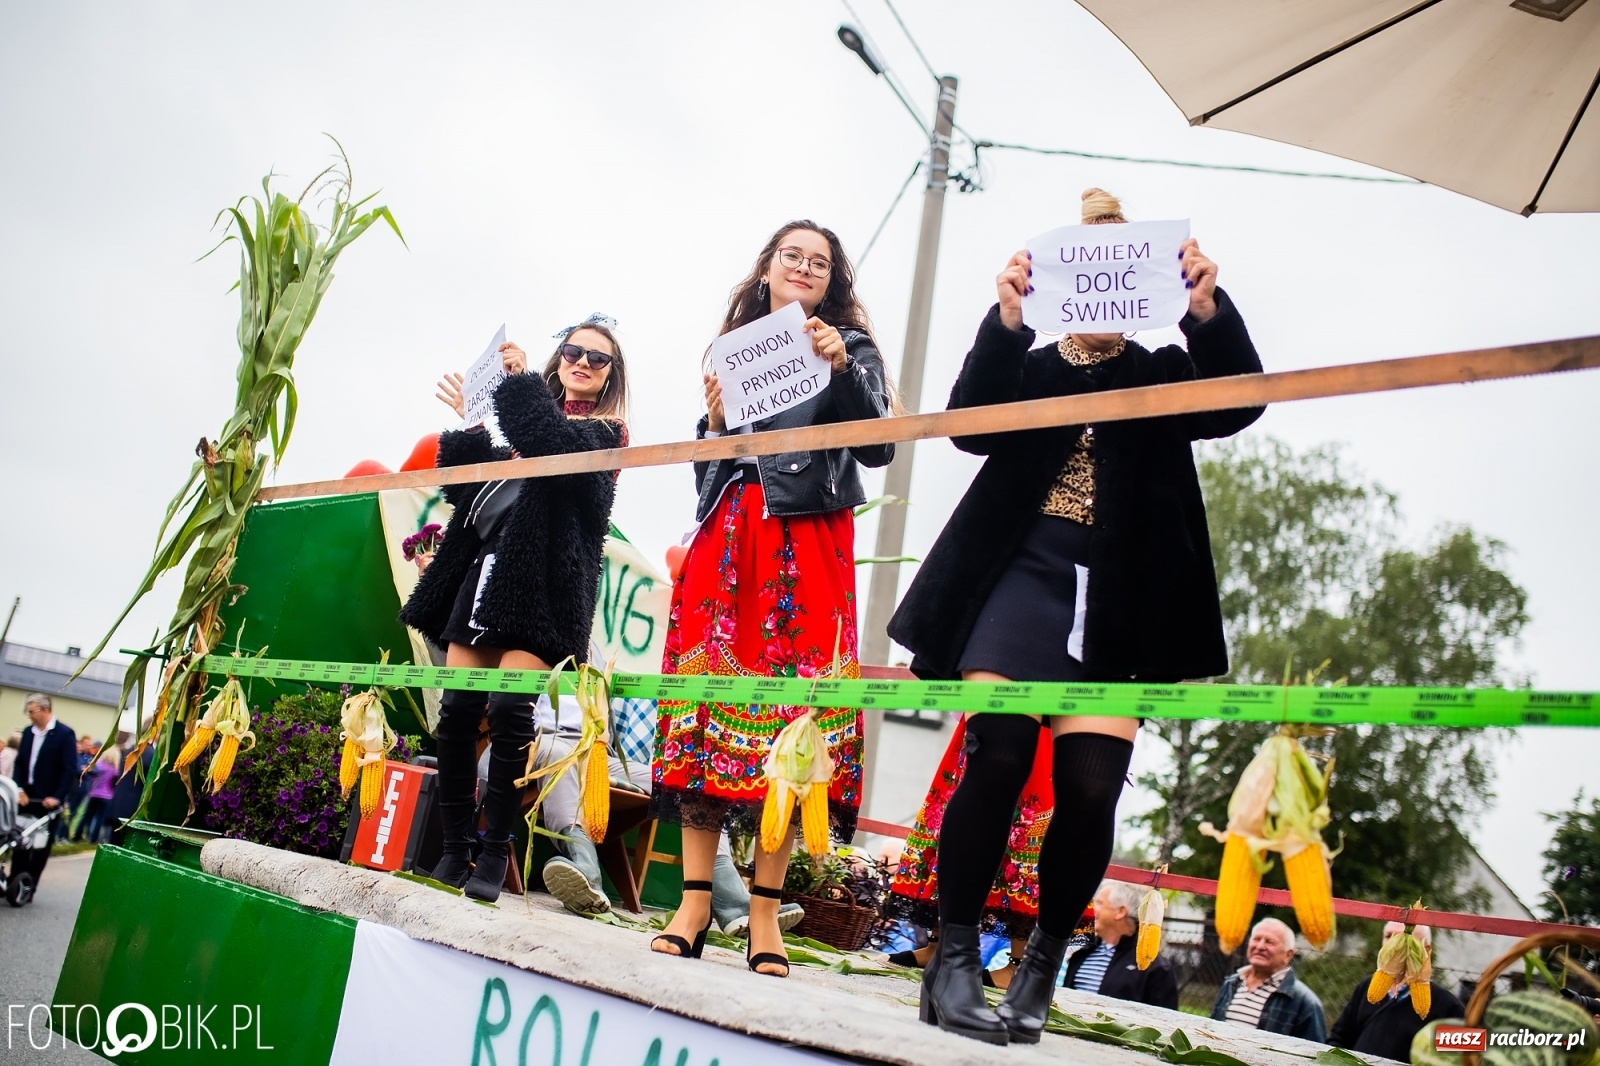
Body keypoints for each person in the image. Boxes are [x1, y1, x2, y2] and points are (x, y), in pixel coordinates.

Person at [887, 187, 1265, 1045]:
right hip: (1021, 575)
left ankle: (1042, 966)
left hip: (1124, 591)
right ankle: (949, 962)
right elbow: (968, 429)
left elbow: (1240, 403)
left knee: (1091, 788)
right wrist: (1007, 318)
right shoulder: (1032, 365)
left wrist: (1207, 309)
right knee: (999, 754)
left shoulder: (1165, 370)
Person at [651, 220, 895, 978]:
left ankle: (763, 918)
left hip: (806, 545)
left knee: (796, 728)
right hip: (726, 538)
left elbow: (880, 445)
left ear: (832, 281)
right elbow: (707, 476)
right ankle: (693, 905)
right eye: (792, 255)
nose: (804, 267)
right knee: (703, 714)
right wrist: (716, 424)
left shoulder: (851, 348)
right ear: (768, 269)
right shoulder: (738, 348)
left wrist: (842, 371)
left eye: (819, 262)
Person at [400, 314, 628, 903]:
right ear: (560, 359)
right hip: (484, 582)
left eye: (597, 359)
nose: (582, 362)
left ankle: (495, 852)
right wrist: (471, 426)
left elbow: (552, 442)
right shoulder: (523, 433)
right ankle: (454, 851)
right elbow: (464, 493)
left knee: (509, 712)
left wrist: (520, 384)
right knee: (455, 717)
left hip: (543, 596)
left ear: (608, 378)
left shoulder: (606, 437)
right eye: (574, 351)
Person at [886, 714, 1056, 990]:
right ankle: (938, 943)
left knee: (1025, 825)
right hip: (992, 701)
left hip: (1042, 707)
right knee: (960, 815)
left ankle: (1020, 966)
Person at [1328, 924, 1462, 1059]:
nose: (1394, 945)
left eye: (1404, 939)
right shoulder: (1366, 986)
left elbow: (1466, 1052)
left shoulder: (1446, 1005)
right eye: (1388, 937)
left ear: (1425, 949)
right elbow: (1339, 1037)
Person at [1063, 881, 1179, 1009]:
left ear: (1120, 911)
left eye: (1099, 903)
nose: (1090, 908)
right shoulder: (1082, 953)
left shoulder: (1155, 968)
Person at [1211, 918, 1327, 1042]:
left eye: (1270, 942)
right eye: (1256, 939)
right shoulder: (1231, 983)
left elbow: (1313, 1054)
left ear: (1288, 955)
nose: (1260, 946)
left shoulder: (1305, 1002)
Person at [10, 694, 79, 881]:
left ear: (45, 709)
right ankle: (15, 880)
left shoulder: (64, 734)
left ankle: (29, 883)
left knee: (40, 844)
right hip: (27, 796)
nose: (29, 715)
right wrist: (19, 789)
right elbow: (20, 764)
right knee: (20, 839)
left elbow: (69, 769)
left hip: (48, 799)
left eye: (32, 711)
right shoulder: (27, 732)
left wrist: (57, 796)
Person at [77, 743, 121, 843]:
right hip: (107, 796)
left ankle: (77, 835)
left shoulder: (98, 764)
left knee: (86, 816)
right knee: (99, 819)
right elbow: (114, 784)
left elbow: (91, 776)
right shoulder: (115, 770)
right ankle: (93, 839)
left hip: (94, 794)